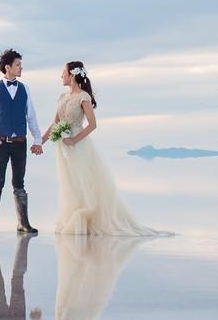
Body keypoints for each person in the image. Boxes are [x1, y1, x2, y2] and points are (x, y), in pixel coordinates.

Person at [38, 59, 162, 237]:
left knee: (83, 181)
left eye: (64, 72)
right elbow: (55, 122)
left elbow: (92, 124)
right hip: (63, 147)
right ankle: (74, 216)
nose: (61, 76)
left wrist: (74, 140)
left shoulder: (83, 97)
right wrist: (40, 142)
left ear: (72, 75)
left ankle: (88, 218)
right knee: (70, 182)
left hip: (78, 145)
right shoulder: (63, 97)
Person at [0, 47, 42, 235]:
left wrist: (38, 139)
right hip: (1, 143)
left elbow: (31, 116)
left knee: (19, 182)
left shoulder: (25, 88)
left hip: (20, 142)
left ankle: (23, 223)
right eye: (18, 65)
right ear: (7, 67)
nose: (21, 68)